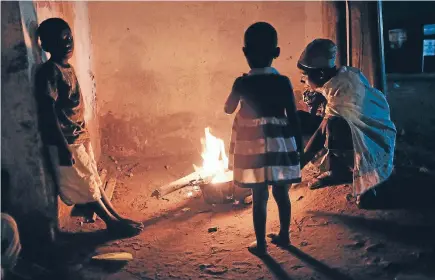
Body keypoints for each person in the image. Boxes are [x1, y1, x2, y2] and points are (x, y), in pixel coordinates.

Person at [35, 18, 143, 236]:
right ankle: (111, 224)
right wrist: (63, 145)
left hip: (79, 135)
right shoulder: (49, 72)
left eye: (69, 38)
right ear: (45, 46)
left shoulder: (67, 67)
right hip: (66, 140)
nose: (67, 44)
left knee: (92, 179)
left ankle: (116, 216)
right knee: (85, 186)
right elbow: (47, 112)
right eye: (59, 41)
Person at [225, 22, 302, 256]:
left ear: (245, 53)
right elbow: (293, 115)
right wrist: (298, 147)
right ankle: (285, 236)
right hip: (280, 146)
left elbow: (228, 109)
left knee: (259, 196)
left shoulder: (242, 83)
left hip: (253, 149)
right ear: (277, 53)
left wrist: (238, 95)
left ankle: (261, 245)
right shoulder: (283, 82)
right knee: (281, 192)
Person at [298, 39, 396, 198]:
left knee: (334, 127)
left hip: (372, 141)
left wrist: (295, 169)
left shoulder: (342, 90)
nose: (304, 81)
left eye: (305, 76)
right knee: (306, 120)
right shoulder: (343, 74)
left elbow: (320, 134)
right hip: (359, 131)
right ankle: (337, 171)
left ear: (321, 74)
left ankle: (363, 176)